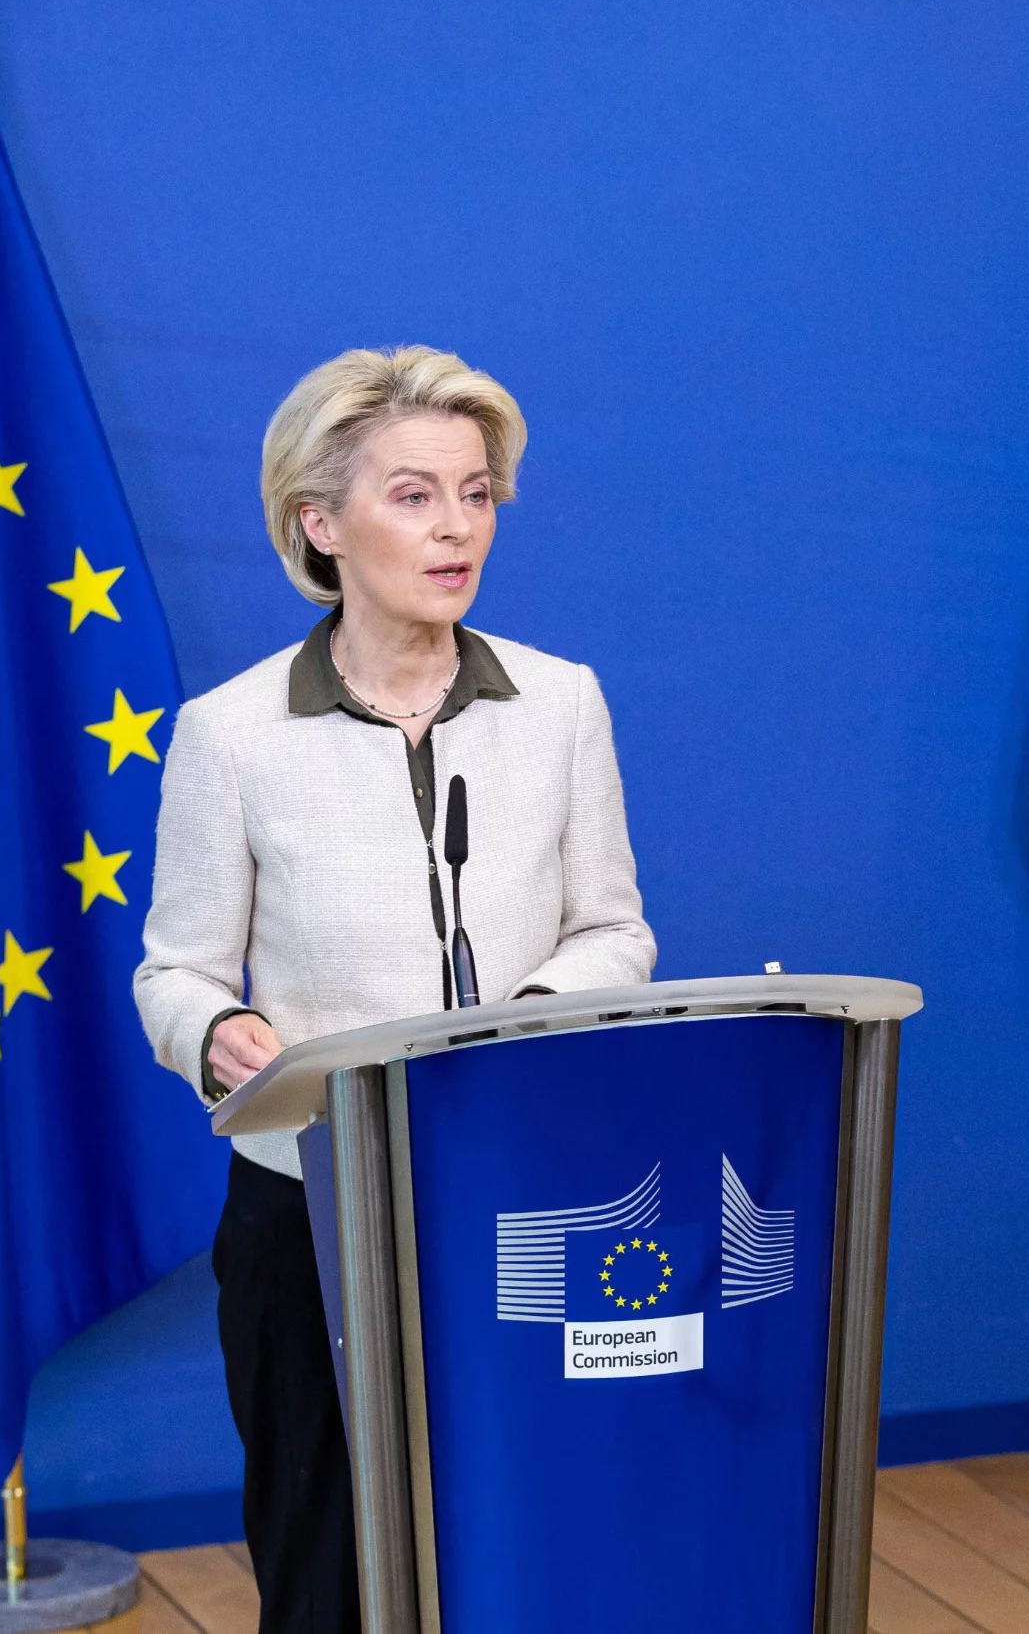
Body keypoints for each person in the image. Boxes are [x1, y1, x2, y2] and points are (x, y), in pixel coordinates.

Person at [134, 347, 656, 1633]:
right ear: (321, 522)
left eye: (477, 494)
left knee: (530, 1534)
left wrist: (526, 1012)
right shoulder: (232, 732)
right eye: (416, 494)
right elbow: (177, 969)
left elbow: (615, 929)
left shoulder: (560, 703)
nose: (458, 527)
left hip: (523, 1196)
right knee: (321, 1565)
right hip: (309, 1216)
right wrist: (220, 1032)